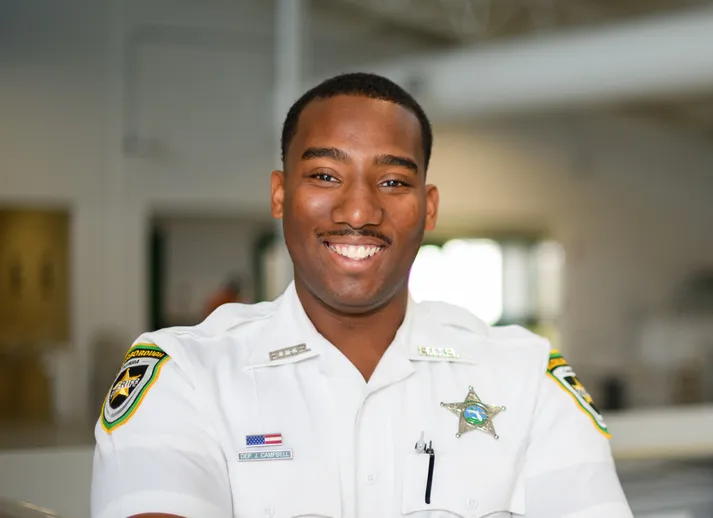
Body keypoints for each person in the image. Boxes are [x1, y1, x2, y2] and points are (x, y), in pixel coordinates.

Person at [91, 73, 631, 518]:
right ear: (281, 195)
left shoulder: (526, 377)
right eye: (326, 176)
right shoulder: (185, 375)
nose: (358, 212)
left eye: (393, 182)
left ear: (430, 206)